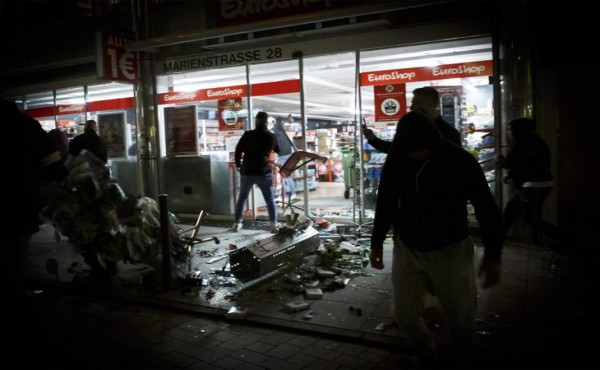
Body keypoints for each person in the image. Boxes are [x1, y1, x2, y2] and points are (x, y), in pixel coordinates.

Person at [369, 111, 503, 367]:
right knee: (403, 312)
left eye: (420, 151)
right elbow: (385, 201)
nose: (414, 156)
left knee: (461, 317)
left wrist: (493, 255)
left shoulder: (460, 160)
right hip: (408, 246)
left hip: (451, 248)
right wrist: (376, 243)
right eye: (410, 151)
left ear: (433, 142)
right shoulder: (399, 155)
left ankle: (464, 360)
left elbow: (487, 209)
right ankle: (427, 352)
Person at [0, 99, 67, 310]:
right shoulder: (26, 125)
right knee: (18, 248)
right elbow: (52, 163)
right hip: (21, 199)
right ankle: (17, 295)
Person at [497, 118, 567, 246]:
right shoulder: (536, 141)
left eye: (511, 130)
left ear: (519, 130)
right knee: (510, 211)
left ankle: (567, 241)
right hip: (533, 185)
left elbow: (509, 163)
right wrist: (512, 174)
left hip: (533, 186)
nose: (509, 133)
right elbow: (527, 163)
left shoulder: (523, 143)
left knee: (533, 220)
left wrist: (499, 158)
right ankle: (497, 238)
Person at [362, 86, 462, 153]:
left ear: (431, 106)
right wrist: (372, 139)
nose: (411, 108)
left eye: (416, 104)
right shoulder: (411, 129)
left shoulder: (450, 133)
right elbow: (395, 149)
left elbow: (455, 166)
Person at [233, 111, 280, 233]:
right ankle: (273, 224)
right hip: (263, 171)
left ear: (256, 121)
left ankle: (237, 223)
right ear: (266, 122)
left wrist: (239, 165)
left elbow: (238, 151)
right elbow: (279, 150)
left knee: (242, 198)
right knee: (269, 199)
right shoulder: (271, 136)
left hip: (247, 170)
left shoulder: (248, 135)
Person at [269, 116, 297, 199]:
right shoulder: (282, 131)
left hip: (282, 156)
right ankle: (288, 194)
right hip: (289, 155)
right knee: (286, 177)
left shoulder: (274, 132)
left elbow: (274, 146)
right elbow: (290, 141)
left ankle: (286, 195)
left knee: (283, 177)